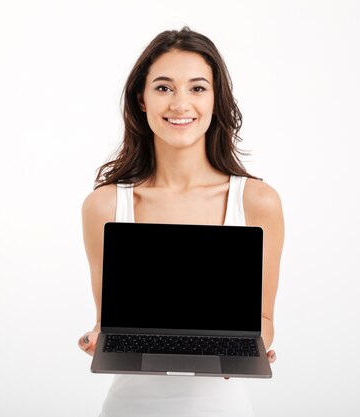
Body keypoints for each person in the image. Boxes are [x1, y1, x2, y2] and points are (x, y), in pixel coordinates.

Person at [77, 26, 285, 417]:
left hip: (221, 408)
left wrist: (251, 346)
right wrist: (98, 336)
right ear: (141, 99)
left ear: (215, 99)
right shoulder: (105, 206)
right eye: (163, 87)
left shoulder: (258, 202)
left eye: (197, 88)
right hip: (130, 407)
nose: (180, 104)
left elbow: (264, 318)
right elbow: (110, 319)